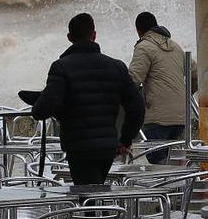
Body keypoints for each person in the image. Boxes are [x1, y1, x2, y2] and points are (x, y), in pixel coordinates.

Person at [32, 13, 144, 184]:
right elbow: (137, 108)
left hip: (79, 148)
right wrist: (125, 139)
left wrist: (43, 104)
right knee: (96, 192)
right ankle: (103, 211)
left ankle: (100, 212)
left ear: (69, 37)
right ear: (94, 35)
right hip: (107, 147)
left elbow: (42, 110)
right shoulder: (117, 67)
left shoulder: (61, 67)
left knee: (88, 199)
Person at [128, 12, 197, 164]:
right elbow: (195, 73)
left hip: (158, 117)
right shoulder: (175, 46)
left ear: (139, 31)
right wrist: (187, 94)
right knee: (174, 159)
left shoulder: (144, 47)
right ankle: (178, 185)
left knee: (156, 158)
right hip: (181, 117)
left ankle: (168, 185)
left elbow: (133, 79)